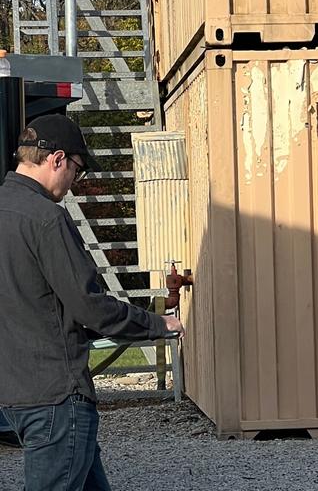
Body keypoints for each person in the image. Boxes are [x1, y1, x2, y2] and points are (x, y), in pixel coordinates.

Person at [0, 113, 183, 491]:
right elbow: (89, 305)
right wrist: (157, 324)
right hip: (56, 394)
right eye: (78, 171)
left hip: (13, 391)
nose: (75, 183)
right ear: (57, 159)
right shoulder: (47, 218)